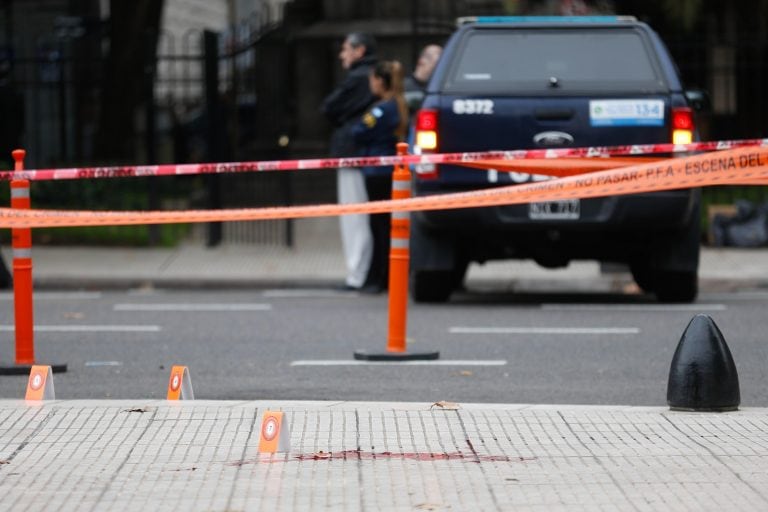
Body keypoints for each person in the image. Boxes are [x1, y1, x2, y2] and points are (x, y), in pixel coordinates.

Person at [321, 33, 378, 291]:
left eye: (346, 49)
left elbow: (328, 107)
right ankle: (366, 272)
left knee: (354, 216)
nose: (341, 55)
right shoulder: (374, 75)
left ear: (360, 50)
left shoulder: (357, 78)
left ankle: (357, 273)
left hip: (353, 152)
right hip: (367, 153)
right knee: (365, 217)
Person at [351, 60, 409, 293]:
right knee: (386, 226)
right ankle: (384, 277)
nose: (371, 84)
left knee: (379, 227)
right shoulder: (398, 105)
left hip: (376, 172)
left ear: (381, 82)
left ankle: (379, 278)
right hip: (389, 172)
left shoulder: (381, 109)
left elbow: (359, 131)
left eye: (373, 80)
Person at [404, 44, 442, 115]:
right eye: (437, 64)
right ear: (422, 61)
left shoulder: (438, 89)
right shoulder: (403, 87)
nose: (441, 68)